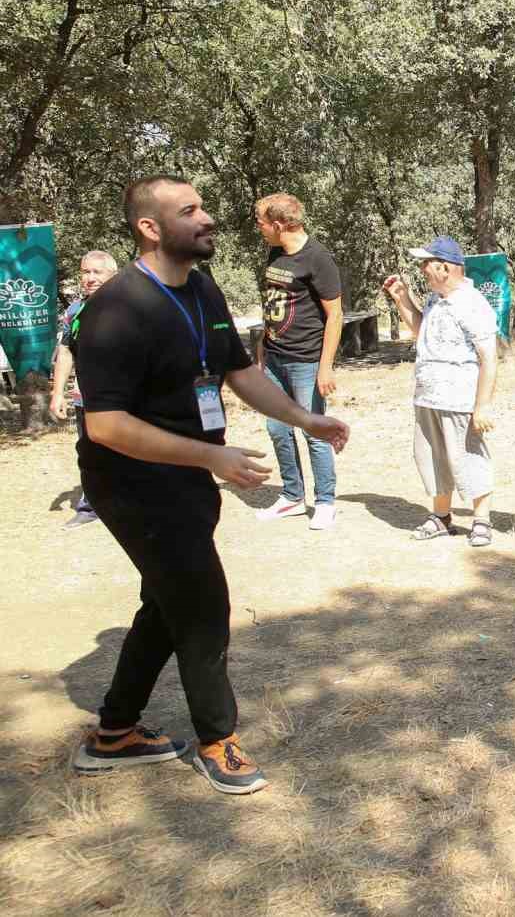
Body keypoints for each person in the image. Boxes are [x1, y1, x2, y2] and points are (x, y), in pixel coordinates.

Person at [69, 175, 349, 795]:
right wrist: (211, 456)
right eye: (189, 211)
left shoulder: (200, 288)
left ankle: (113, 734)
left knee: (169, 601)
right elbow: (108, 425)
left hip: (189, 472)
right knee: (202, 605)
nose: (208, 218)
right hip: (133, 482)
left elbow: (236, 371)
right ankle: (217, 738)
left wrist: (307, 418)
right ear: (150, 227)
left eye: (203, 207)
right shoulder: (114, 307)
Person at [382, 236, 499, 548]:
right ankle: (442, 517)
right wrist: (402, 299)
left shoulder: (473, 303)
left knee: (468, 457)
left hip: (459, 398)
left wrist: (483, 405)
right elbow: (423, 330)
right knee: (432, 457)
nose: (422, 269)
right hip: (427, 395)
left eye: (426, 264)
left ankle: (481, 520)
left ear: (445, 268)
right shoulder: (436, 298)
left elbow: (489, 357)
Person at [252, 192, 344, 530]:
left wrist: (325, 366)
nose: (258, 227)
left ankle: (325, 502)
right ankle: (292, 497)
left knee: (314, 431)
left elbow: (335, 315)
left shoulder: (318, 259)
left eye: (261, 221)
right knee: (277, 427)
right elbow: (272, 306)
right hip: (274, 358)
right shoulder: (275, 253)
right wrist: (262, 352)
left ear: (278, 224)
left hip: (306, 362)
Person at [50, 249, 118, 529]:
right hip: (86, 399)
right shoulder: (74, 311)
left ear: (113, 275)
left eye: (97, 272)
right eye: (85, 272)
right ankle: (91, 507)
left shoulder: (131, 306)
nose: (90, 278)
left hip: (124, 399)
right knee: (89, 453)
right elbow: (66, 350)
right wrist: (57, 393)